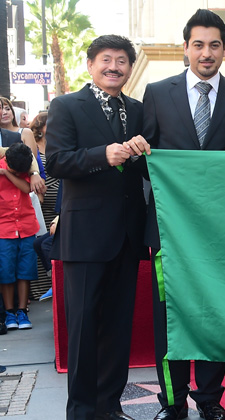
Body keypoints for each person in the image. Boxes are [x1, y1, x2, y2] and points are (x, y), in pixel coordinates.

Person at [142, 9, 225, 420]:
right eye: (198, 44)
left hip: (219, 234)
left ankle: (210, 400)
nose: (206, 53)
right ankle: (172, 402)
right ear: (185, 47)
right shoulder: (156, 93)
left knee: (213, 316)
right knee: (169, 320)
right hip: (169, 231)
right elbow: (145, 162)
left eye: (214, 45)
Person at [46, 34, 149, 420]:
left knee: (118, 330)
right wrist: (101, 156)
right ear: (90, 64)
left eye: (122, 61)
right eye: (106, 59)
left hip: (126, 236)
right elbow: (56, 162)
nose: (114, 67)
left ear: (129, 68)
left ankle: (110, 406)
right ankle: (82, 411)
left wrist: (142, 153)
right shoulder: (66, 106)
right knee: (84, 330)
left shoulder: (137, 110)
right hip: (85, 238)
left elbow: (143, 167)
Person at [0, 142, 39, 331]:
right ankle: (9, 312)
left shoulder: (25, 167)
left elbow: (27, 188)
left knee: (25, 270)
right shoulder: (6, 161)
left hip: (26, 226)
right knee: (6, 271)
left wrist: (8, 173)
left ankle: (22, 310)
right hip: (4, 228)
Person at [29, 112, 58, 299]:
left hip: (59, 203)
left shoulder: (59, 144)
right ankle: (43, 288)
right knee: (41, 242)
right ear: (40, 127)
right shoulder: (34, 148)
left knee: (51, 242)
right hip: (42, 205)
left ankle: (55, 283)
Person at [0, 98, 45, 195]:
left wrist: (34, 173)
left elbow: (28, 155)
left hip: (15, 194)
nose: (3, 112)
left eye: (6, 109)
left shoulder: (17, 135)